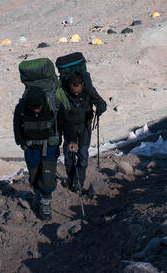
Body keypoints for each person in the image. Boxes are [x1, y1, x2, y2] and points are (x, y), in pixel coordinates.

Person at [13, 86, 67, 220]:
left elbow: (64, 123)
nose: (37, 110)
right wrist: (22, 143)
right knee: (34, 176)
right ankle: (38, 194)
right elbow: (17, 126)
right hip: (31, 147)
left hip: (49, 147)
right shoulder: (21, 108)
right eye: (33, 108)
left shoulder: (53, 106)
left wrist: (69, 139)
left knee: (48, 180)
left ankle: (46, 202)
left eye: (39, 107)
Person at [62, 71, 107, 193]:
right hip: (69, 127)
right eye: (74, 91)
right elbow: (63, 117)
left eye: (78, 90)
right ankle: (71, 179)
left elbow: (101, 103)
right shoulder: (63, 94)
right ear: (68, 86)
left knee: (82, 154)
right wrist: (71, 139)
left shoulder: (88, 91)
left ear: (82, 84)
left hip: (84, 126)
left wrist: (100, 109)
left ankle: (79, 183)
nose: (77, 93)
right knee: (68, 154)